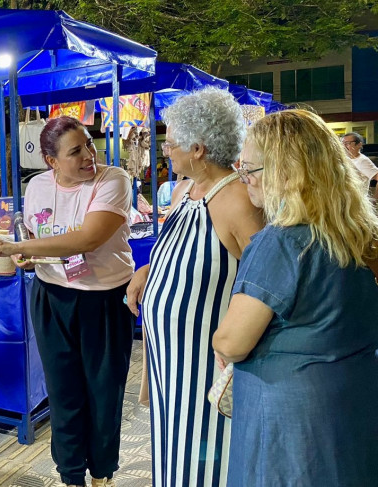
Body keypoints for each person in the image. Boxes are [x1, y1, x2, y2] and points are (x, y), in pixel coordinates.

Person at [212, 110, 378, 486]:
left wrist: (218, 341)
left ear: (286, 173)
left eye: (251, 169)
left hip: (292, 422)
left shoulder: (283, 241)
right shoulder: (360, 234)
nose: (246, 179)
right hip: (353, 406)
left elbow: (233, 341)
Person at [0, 116, 135, 487]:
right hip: (52, 297)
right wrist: (26, 255)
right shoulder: (36, 186)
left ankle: (102, 473)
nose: (89, 155)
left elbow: (88, 238)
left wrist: (20, 246)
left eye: (88, 144)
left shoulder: (113, 180)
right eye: (75, 151)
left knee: (103, 391)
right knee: (63, 392)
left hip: (104, 300)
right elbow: (37, 239)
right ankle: (70, 476)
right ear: (51, 161)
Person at [124, 88, 265, 487]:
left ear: (198, 148)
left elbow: (268, 280)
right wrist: (150, 269)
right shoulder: (186, 190)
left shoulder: (237, 199)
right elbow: (183, 250)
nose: (165, 149)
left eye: (170, 142)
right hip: (170, 364)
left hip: (206, 367)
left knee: (204, 461)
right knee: (173, 454)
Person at [341, 132, 378, 198]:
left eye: (347, 143)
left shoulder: (362, 161)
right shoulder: (345, 159)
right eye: (342, 143)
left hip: (358, 201)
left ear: (359, 145)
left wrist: (375, 199)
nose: (343, 146)